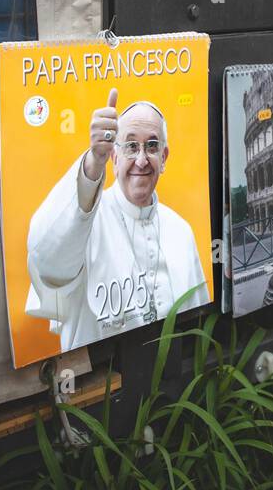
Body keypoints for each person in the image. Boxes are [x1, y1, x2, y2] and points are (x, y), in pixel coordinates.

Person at [26, 89, 209, 352]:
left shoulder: (181, 230)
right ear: (114, 157)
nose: (142, 160)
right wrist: (92, 162)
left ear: (164, 158)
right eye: (131, 146)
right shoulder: (83, 222)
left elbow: (196, 323)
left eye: (152, 146)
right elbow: (47, 260)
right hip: (108, 382)